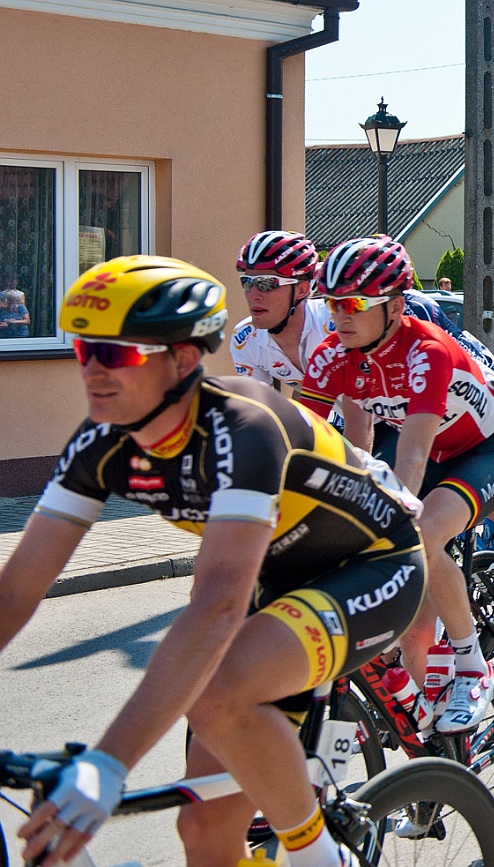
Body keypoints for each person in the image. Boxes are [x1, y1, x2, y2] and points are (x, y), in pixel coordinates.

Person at [0, 255, 425, 866]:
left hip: (372, 565)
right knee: (203, 832)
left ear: (183, 360)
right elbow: (16, 592)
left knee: (218, 690)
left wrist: (108, 763)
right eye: (85, 350)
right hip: (272, 578)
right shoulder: (100, 443)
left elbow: (218, 605)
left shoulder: (242, 428)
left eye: (116, 354)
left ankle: (317, 857)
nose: (93, 370)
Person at [300, 235, 494, 739]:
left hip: (485, 447)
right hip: (426, 448)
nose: (338, 315)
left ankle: (473, 666)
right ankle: (427, 732)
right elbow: (297, 441)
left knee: (417, 532)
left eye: (353, 304)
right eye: (331, 303)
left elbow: (411, 456)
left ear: (395, 307)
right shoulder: (331, 355)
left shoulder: (426, 351)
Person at [230, 230, 334, 392]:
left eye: (266, 283)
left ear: (301, 290)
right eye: (247, 283)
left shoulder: (334, 322)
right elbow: (261, 404)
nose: (253, 295)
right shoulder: (245, 339)